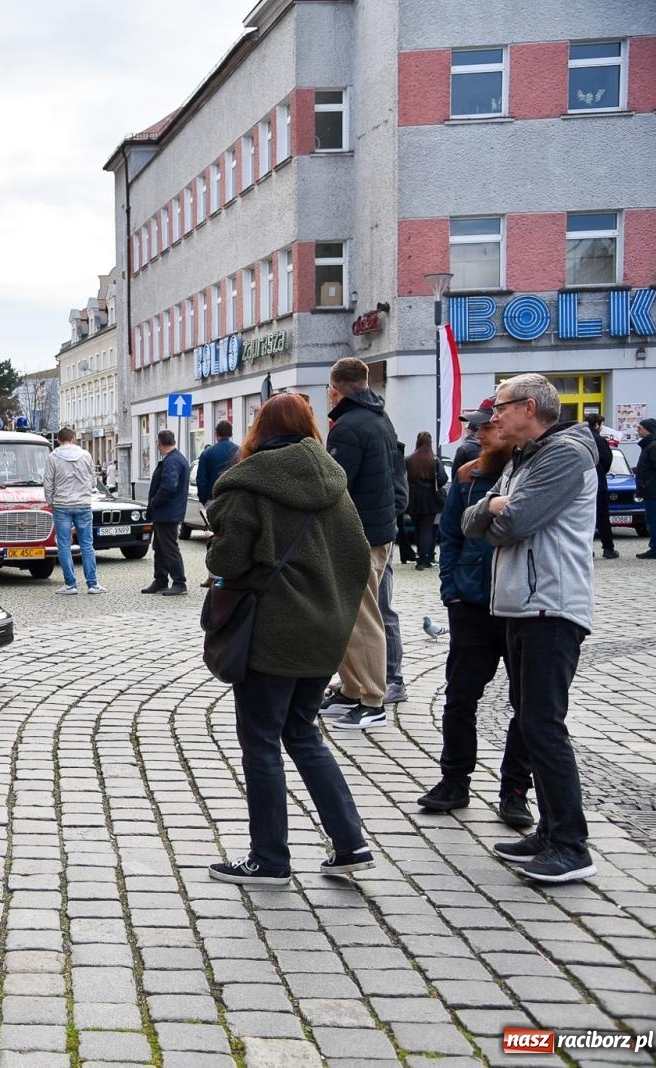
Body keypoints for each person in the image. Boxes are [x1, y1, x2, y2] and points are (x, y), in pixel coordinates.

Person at [203, 393, 375, 886]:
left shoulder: (246, 484)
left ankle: (270, 859)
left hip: (271, 633)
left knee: (260, 741)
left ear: (259, 427)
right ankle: (350, 843)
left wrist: (222, 555)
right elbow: (359, 555)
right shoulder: (335, 483)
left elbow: (227, 562)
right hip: (324, 633)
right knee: (302, 733)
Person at [462, 373, 597, 884]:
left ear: (530, 407)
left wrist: (495, 513)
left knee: (543, 724)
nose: (492, 417)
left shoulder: (564, 456)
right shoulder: (522, 458)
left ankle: (570, 845)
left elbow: (511, 525)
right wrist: (492, 509)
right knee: (531, 721)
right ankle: (550, 830)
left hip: (552, 607)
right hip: (521, 605)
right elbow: (471, 519)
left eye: (500, 407)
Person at [419, 413, 534, 827]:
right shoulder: (467, 476)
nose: (478, 434)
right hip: (471, 604)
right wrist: (451, 589)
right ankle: (454, 780)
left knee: (526, 703)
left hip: (519, 604)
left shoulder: (532, 473)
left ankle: (515, 791)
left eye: (487, 427)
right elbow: (450, 534)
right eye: (477, 428)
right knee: (460, 696)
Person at [319, 356, 408, 731]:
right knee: (352, 617)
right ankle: (352, 690)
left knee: (364, 617)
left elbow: (336, 487)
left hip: (359, 535)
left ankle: (372, 700)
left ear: (334, 389)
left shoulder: (348, 426)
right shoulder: (379, 418)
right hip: (378, 529)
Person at [44, 426, 105, 595]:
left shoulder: (53, 457)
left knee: (64, 545)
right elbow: (93, 481)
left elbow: (48, 482)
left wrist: (50, 502)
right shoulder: (86, 455)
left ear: (58, 440)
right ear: (74, 439)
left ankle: (70, 585)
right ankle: (93, 584)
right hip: (83, 504)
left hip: (62, 505)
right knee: (87, 544)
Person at [143, 429, 189, 596]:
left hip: (167, 513)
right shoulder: (176, 459)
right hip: (167, 512)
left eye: (157, 442)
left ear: (159, 443)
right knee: (160, 547)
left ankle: (179, 582)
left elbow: (169, 487)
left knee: (169, 548)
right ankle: (160, 580)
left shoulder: (172, 461)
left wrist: (155, 502)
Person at [405, 431, 448, 570]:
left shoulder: (409, 459)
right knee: (427, 529)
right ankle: (424, 558)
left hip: (412, 497)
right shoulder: (434, 460)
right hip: (430, 497)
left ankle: (420, 556)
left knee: (418, 528)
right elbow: (443, 478)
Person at [580, 415, 615, 560]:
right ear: (597, 425)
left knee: (583, 519)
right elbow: (607, 460)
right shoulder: (599, 440)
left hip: (581, 484)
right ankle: (608, 548)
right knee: (602, 517)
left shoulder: (580, 439)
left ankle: (586, 549)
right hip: (599, 483)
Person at [636, 417, 656, 560]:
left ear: (647, 429)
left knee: (654, 520)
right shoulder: (651, 444)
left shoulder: (654, 446)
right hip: (651, 488)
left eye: (640, 428)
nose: (638, 430)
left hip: (653, 489)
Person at [195, 420, 239, 506]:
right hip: (235, 500)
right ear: (231, 434)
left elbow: (201, 480)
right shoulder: (240, 452)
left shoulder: (206, 453)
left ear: (216, 434)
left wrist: (204, 500)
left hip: (213, 499)